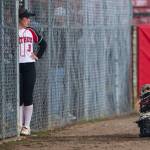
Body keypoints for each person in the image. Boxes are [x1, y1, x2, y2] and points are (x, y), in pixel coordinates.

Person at [19, 7, 47, 135]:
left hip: (29, 66)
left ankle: (26, 126)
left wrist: (38, 55)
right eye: (26, 17)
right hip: (17, 67)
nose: (28, 20)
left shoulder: (31, 31)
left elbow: (43, 44)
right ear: (20, 18)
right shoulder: (13, 31)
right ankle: (18, 125)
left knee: (28, 95)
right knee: (19, 97)